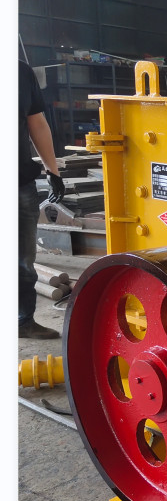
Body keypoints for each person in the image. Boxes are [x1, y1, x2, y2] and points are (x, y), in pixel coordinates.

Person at [19, 60, 66, 338]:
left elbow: (36, 122)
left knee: (24, 262)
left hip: (18, 184)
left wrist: (53, 171)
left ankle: (23, 321)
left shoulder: (21, 72)